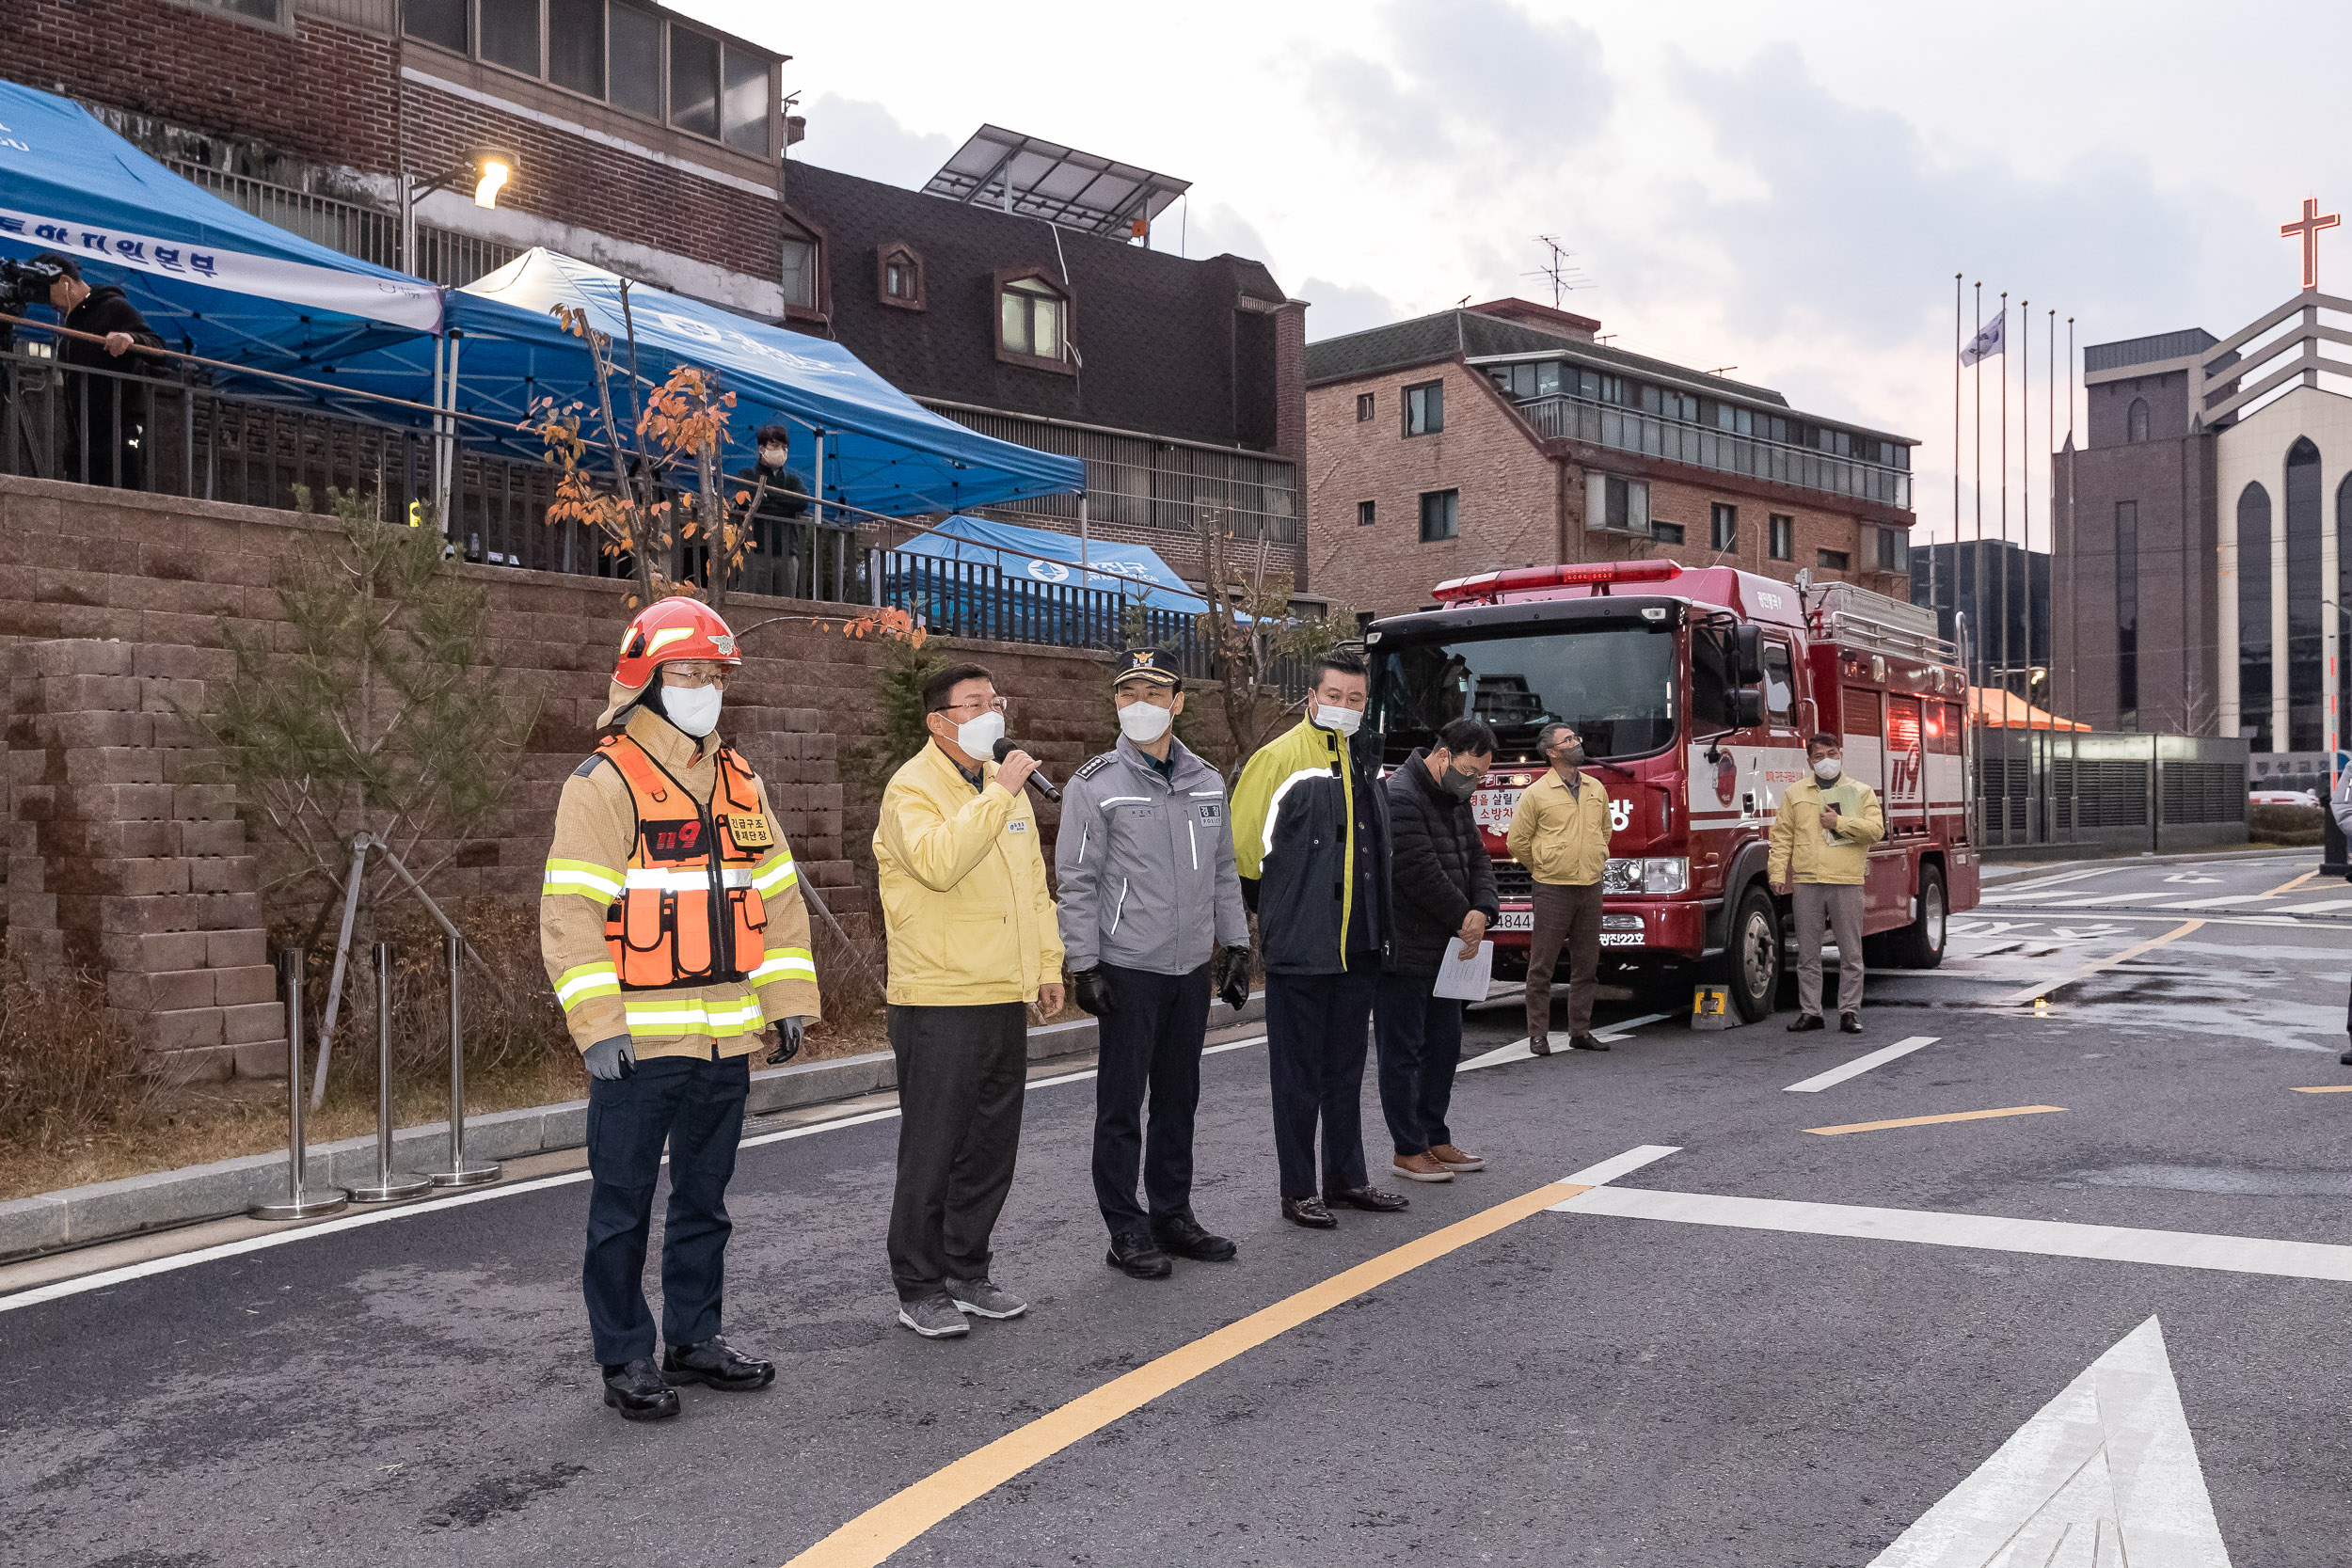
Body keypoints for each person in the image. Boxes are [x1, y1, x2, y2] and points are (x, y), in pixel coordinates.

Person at [539, 597, 819, 1422]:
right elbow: (569, 915)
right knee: (621, 1204)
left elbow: (778, 898)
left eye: (714, 674)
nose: (705, 687)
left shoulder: (740, 780)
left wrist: (789, 998)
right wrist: (596, 1027)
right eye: (689, 672)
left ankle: (694, 1339)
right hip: (637, 1040)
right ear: (646, 680)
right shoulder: (604, 781)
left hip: (726, 1034)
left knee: (706, 1197)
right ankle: (625, 1353)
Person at [875, 662, 1065, 1337]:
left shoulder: (997, 785)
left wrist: (1047, 964)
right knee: (934, 1147)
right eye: (976, 703)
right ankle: (918, 1283)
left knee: (990, 1146)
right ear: (939, 720)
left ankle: (966, 1268)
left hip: (1000, 993)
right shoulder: (911, 789)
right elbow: (937, 861)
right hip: (939, 996)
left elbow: (1031, 885)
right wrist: (999, 795)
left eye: (996, 700)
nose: (993, 712)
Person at [1058, 649, 1252, 1278]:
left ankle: (1172, 1214)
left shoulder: (1207, 781)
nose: (1139, 703)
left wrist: (1237, 945)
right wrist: (1084, 962)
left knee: (1178, 1097)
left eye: (1153, 690)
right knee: (1121, 1103)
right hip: (1128, 967)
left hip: (1189, 967)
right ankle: (1125, 1227)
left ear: (1178, 701)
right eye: (1127, 692)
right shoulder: (1095, 785)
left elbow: (1225, 872)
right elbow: (1077, 880)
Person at [1232, 649, 1407, 1229]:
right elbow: (1243, 854)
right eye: (1334, 696)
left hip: (1359, 945)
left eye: (1356, 700)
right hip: (1302, 948)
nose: (1345, 707)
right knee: (1297, 1076)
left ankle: (1347, 1178)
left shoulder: (1367, 761)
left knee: (1345, 1070)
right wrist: (1281, 912)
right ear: (1311, 697)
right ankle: (1298, 1188)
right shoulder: (1278, 759)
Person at [1378, 718, 1502, 1183]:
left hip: (1451, 951)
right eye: (1471, 770)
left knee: (1444, 1048)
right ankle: (1407, 1147)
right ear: (1445, 754)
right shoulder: (1400, 795)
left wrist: (1485, 908)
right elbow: (1416, 868)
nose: (1474, 783)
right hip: (1407, 947)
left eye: (1482, 776)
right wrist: (1463, 917)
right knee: (1403, 1050)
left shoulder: (1455, 798)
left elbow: (1478, 857)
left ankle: (1435, 1134)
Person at [1509, 722, 1614, 1053]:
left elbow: (1605, 832)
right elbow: (1517, 842)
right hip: (1552, 888)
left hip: (1590, 885)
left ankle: (1579, 1031)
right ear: (1552, 752)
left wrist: (1593, 856)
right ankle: (1537, 1033)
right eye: (1567, 740)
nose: (1576, 742)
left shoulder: (1596, 788)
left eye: (1575, 738)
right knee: (1542, 965)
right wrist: (1544, 864)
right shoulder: (1537, 793)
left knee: (1587, 965)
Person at [1771, 733, 1885, 1034]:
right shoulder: (1795, 793)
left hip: (1846, 879)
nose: (1826, 761)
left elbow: (1876, 830)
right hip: (1807, 880)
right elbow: (1782, 836)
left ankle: (1849, 1012)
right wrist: (1777, 872)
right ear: (1809, 761)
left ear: (1841, 754)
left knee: (1851, 952)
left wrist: (1840, 823)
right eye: (1819, 756)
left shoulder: (1860, 792)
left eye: (1831, 754)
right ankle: (1811, 1012)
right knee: (1808, 954)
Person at [36, 253, 163, 489]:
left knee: (124, 499)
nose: (46, 301)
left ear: (64, 281)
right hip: (81, 439)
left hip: (120, 432)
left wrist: (129, 337)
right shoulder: (70, 324)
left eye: (46, 291)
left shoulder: (112, 308)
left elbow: (159, 349)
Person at [733, 423, 812, 594]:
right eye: (775, 446)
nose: (781, 451)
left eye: (785, 447)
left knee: (785, 609)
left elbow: (802, 502)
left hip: (788, 554)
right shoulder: (747, 475)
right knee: (753, 605)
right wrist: (785, 502)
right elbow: (749, 501)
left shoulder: (793, 481)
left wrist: (766, 493)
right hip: (756, 551)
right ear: (761, 448)